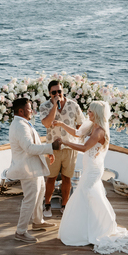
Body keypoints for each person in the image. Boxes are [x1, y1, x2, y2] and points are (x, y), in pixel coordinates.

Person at [56, 101, 128, 254]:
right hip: (88, 166)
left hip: (94, 169)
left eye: (90, 111)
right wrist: (61, 124)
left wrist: (64, 142)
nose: (87, 113)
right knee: (87, 195)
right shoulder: (91, 125)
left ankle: (96, 228)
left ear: (96, 113)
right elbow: (77, 133)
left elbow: (84, 148)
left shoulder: (99, 132)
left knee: (87, 194)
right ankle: (89, 227)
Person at [6, 97, 62, 243]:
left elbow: (33, 144)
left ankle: (38, 221)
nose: (32, 111)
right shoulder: (20, 126)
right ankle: (20, 231)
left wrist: (47, 152)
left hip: (33, 167)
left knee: (41, 191)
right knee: (30, 199)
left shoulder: (22, 123)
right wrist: (52, 147)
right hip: (27, 169)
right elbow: (29, 148)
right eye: (30, 108)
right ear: (21, 111)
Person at [38, 80, 84, 217]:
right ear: (49, 93)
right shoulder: (44, 106)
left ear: (63, 91)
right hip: (53, 148)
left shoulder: (73, 105)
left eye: (60, 91)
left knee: (67, 178)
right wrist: (54, 106)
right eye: (54, 92)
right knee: (51, 178)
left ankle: (65, 205)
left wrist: (73, 135)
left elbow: (81, 124)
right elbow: (47, 124)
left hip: (69, 148)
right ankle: (47, 205)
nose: (57, 94)